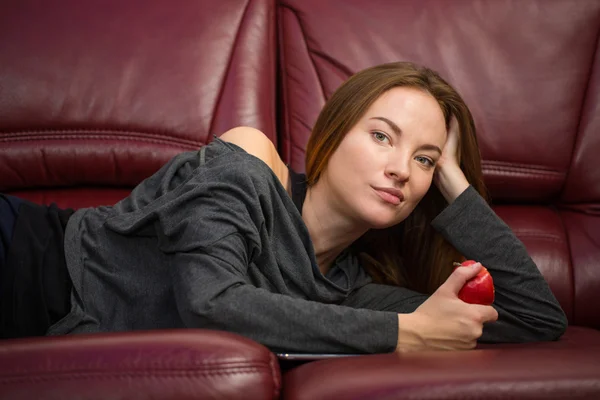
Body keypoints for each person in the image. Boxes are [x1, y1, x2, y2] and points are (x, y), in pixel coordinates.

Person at [0, 62, 567, 353]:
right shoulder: (250, 161)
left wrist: (455, 181)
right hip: (24, 253)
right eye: (382, 137)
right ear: (332, 132)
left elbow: (539, 323)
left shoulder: (352, 292)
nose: (400, 169)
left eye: (422, 160)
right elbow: (210, 302)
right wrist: (408, 333)